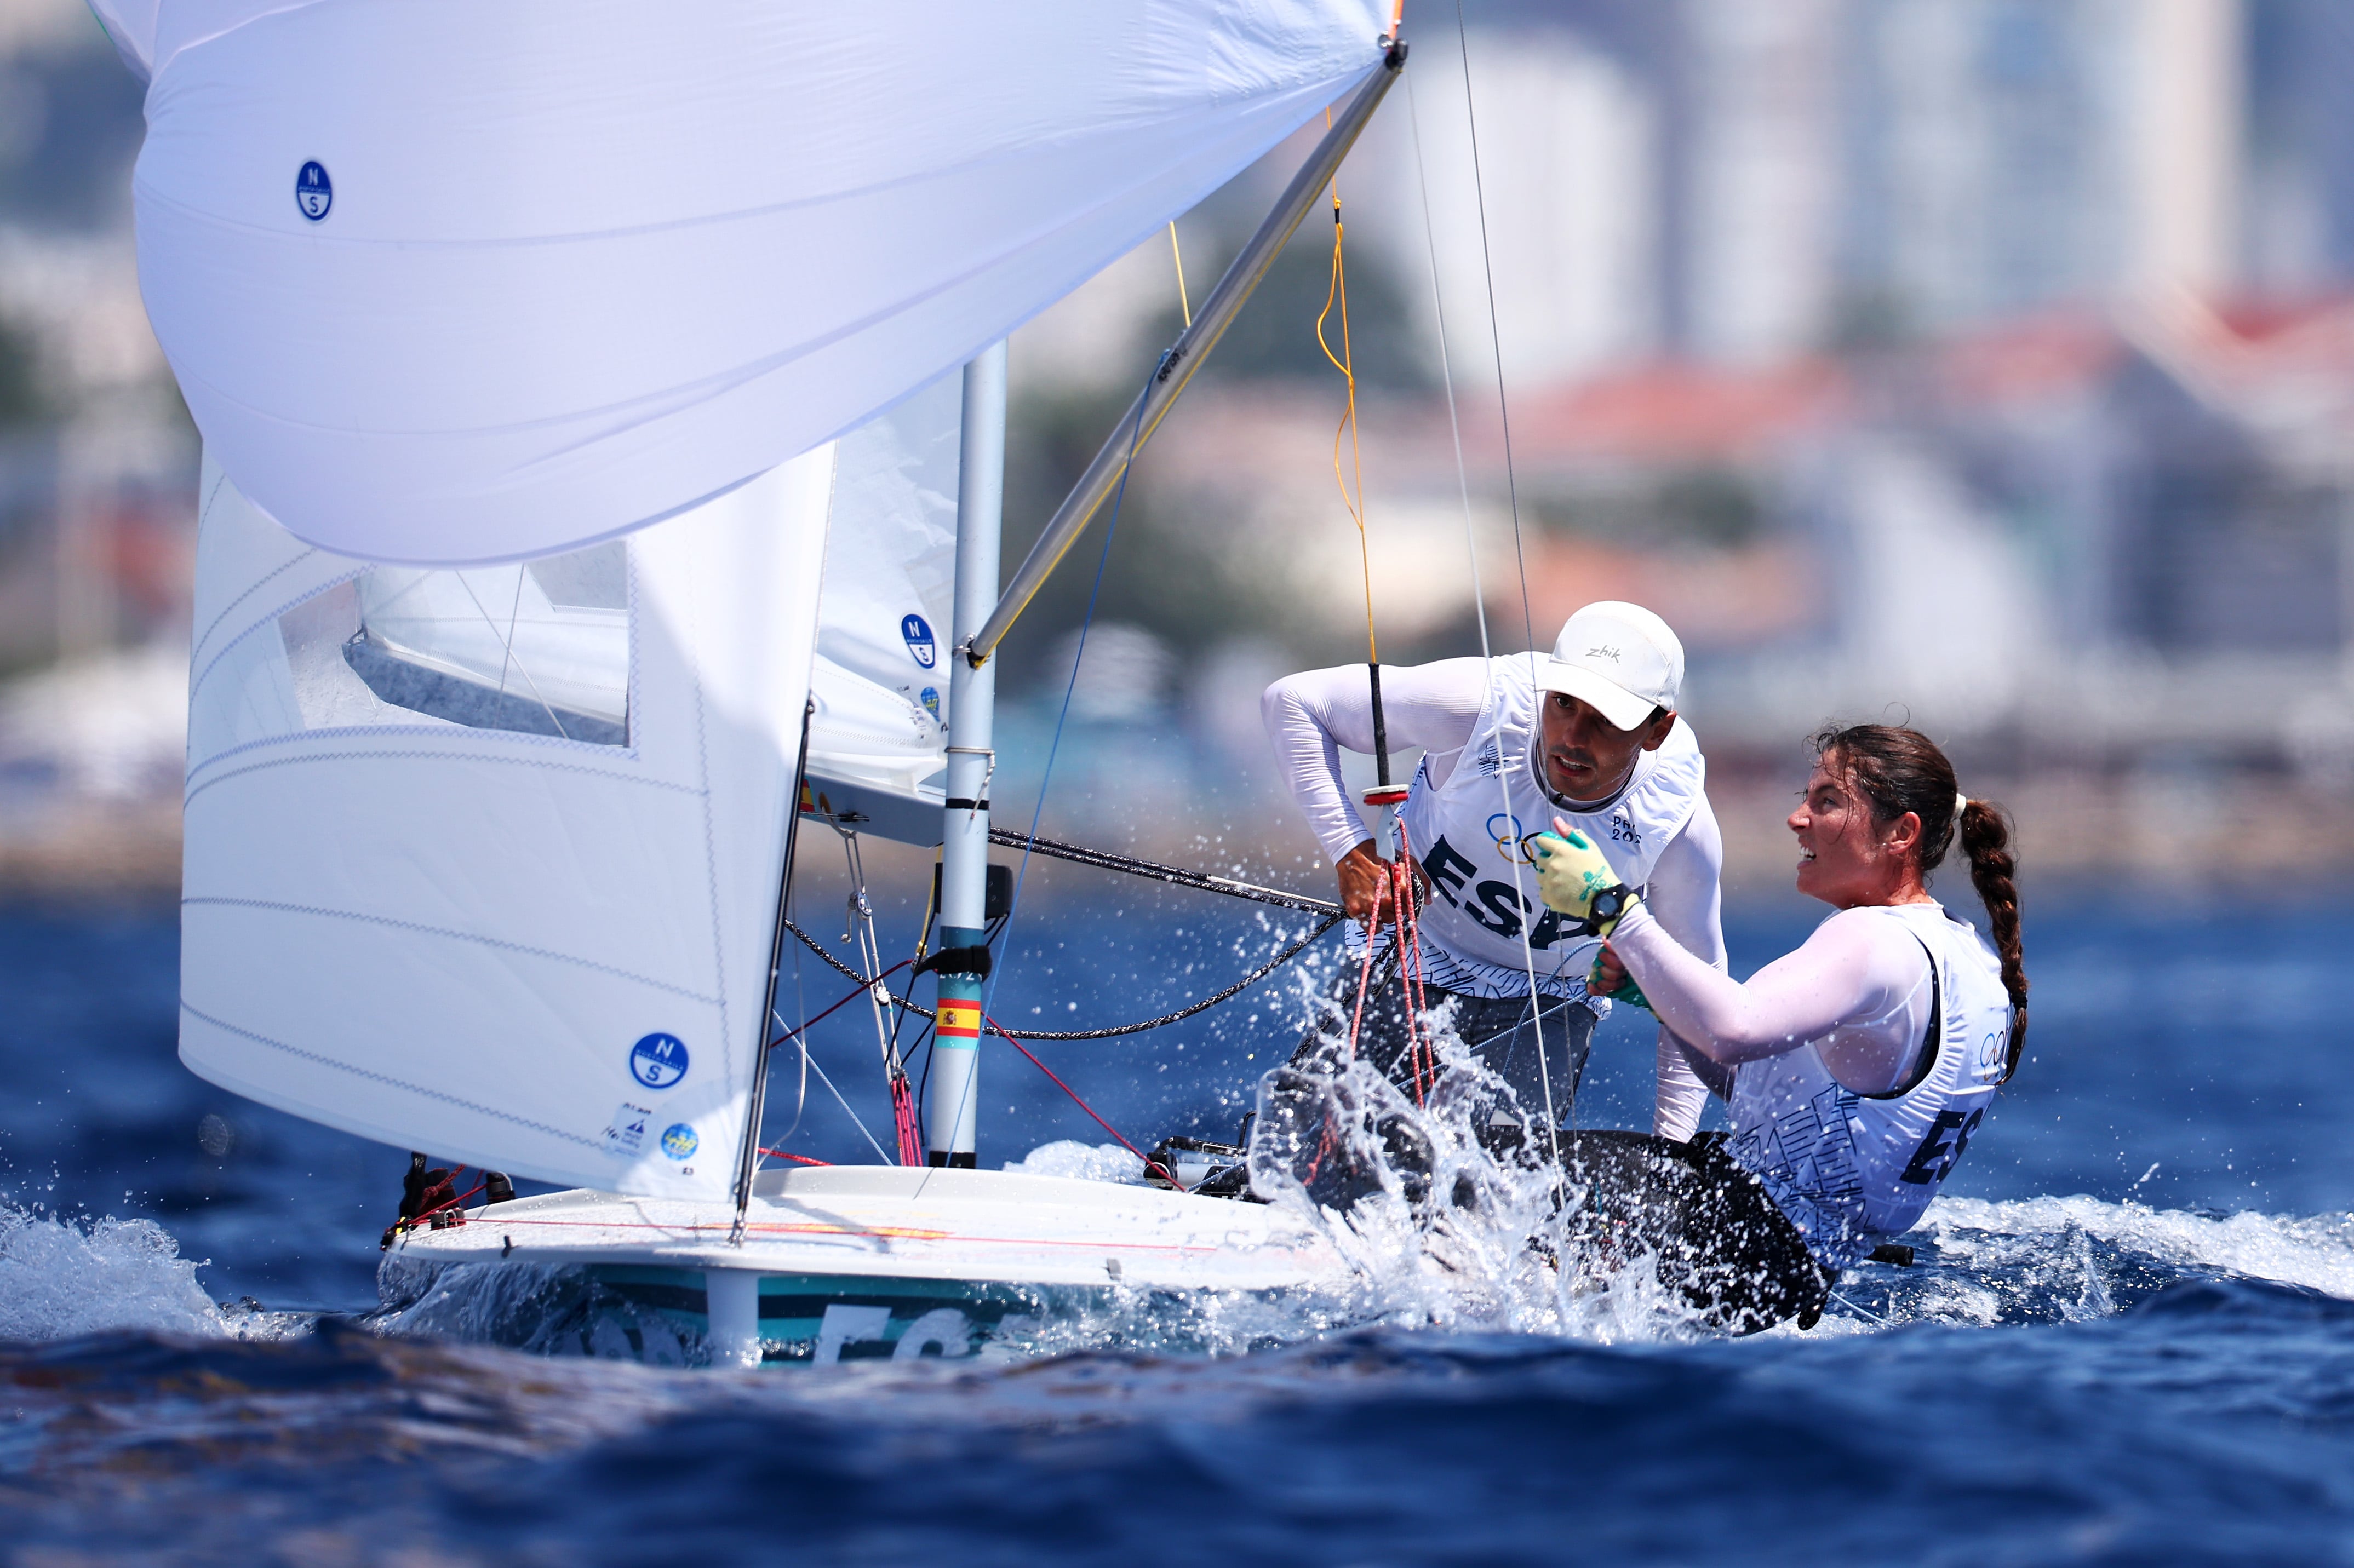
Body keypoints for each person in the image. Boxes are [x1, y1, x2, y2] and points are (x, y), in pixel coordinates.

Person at [1530, 722, 2028, 1333]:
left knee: (1463, 1165)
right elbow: (1769, 1092)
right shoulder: (1963, 951)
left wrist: (1610, 907)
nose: (1797, 819)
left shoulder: (1872, 940)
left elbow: (1734, 1029)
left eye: (1826, 801)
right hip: (1789, 1264)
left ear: (1902, 833)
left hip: (1737, 1234)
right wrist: (1656, 998)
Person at [1260, 601, 1727, 1139]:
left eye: (1605, 722)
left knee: (1495, 1194)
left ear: (1656, 731)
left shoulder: (1677, 825)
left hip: (1546, 1006)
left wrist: (1668, 1152)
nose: (1572, 738)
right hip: (1415, 961)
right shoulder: (1478, 703)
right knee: (1322, 1153)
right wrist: (1351, 850)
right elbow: (1293, 702)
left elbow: (1698, 999)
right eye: (1563, 704)